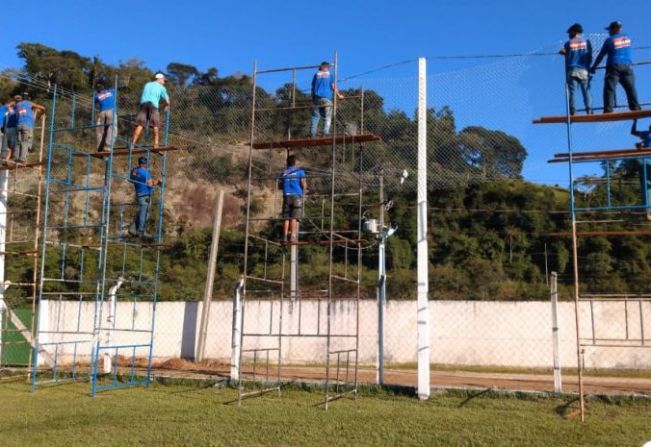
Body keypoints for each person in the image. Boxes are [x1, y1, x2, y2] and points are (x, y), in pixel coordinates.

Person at [591, 21, 641, 113]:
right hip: (628, 66)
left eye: (610, 30)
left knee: (610, 88)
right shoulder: (628, 37)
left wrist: (594, 67)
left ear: (614, 29)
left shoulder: (609, 40)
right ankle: (635, 107)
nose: (609, 32)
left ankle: (608, 109)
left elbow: (601, 55)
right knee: (630, 88)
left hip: (614, 65)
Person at [559, 23, 593, 115]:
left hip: (572, 69)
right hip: (584, 70)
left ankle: (573, 111)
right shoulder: (586, 42)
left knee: (573, 91)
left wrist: (563, 52)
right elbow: (590, 56)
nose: (569, 35)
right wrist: (588, 68)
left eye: (569, 32)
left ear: (574, 32)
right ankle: (589, 110)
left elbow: (564, 52)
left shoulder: (568, 43)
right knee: (586, 90)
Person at [131, 73, 170, 149]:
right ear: (159, 79)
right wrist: (166, 106)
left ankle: (132, 144)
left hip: (143, 105)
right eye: (163, 80)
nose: (164, 82)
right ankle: (156, 145)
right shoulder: (162, 88)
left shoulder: (147, 84)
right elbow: (167, 101)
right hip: (153, 106)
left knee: (140, 125)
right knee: (156, 125)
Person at [128, 156, 160, 241]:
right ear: (144, 164)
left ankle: (133, 228)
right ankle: (141, 231)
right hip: (145, 194)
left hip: (139, 193)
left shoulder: (134, 170)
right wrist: (156, 182)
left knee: (142, 211)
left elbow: (131, 179)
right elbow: (149, 184)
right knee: (145, 213)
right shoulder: (145, 172)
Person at [310, 62, 343, 138]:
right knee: (327, 116)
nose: (329, 68)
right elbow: (333, 86)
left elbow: (312, 87)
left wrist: (312, 99)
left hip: (316, 98)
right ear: (326, 67)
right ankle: (325, 133)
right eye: (328, 67)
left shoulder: (316, 75)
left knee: (315, 116)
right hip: (326, 98)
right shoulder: (330, 75)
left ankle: (312, 133)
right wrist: (339, 95)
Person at [280, 155, 307, 242]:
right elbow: (303, 184)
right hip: (296, 195)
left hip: (286, 195)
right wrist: (304, 190)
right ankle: (293, 236)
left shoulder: (284, 172)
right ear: (295, 162)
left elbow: (280, 185)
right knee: (294, 216)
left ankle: (284, 236)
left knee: (286, 217)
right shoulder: (300, 171)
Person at [13, 93, 45, 164]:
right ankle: (22, 159)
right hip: (27, 125)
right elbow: (42, 108)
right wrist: (42, 112)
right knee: (25, 142)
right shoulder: (29, 103)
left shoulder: (16, 105)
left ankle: (16, 158)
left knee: (18, 142)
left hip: (18, 125)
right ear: (28, 99)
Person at [94, 83, 117, 152]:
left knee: (100, 129)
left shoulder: (97, 96)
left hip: (102, 112)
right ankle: (108, 147)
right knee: (112, 128)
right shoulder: (111, 91)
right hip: (111, 111)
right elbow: (115, 88)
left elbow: (95, 102)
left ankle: (99, 147)